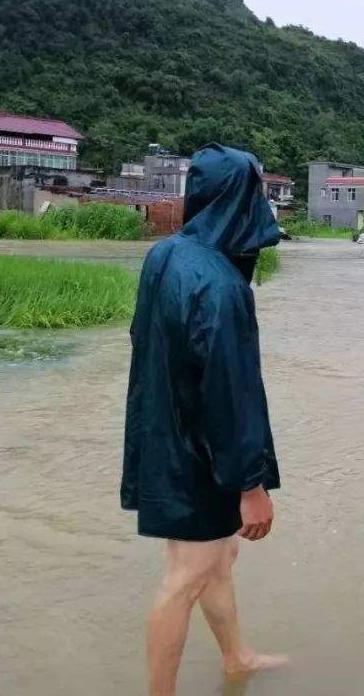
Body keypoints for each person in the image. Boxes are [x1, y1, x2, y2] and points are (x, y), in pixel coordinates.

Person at [121, 144, 287, 696]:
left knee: (219, 558)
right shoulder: (221, 286)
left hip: (166, 433)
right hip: (200, 451)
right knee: (185, 577)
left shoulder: (165, 254)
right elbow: (231, 391)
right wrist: (251, 483)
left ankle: (236, 657)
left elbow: (143, 342)